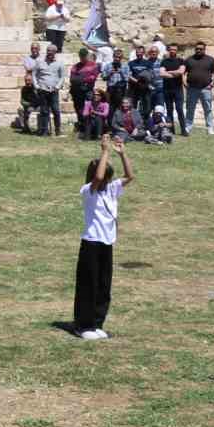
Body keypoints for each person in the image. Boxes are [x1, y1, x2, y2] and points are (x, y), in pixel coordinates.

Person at [72, 135, 135, 340]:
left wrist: (122, 152)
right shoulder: (88, 191)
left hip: (107, 242)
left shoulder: (111, 190)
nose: (107, 180)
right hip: (91, 242)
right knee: (88, 285)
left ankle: (98, 322)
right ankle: (83, 325)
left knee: (103, 285)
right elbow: (98, 179)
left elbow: (129, 176)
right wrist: (105, 151)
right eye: (106, 176)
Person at [183, 41, 214, 135]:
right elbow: (182, 73)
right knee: (190, 108)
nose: (198, 50)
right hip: (192, 89)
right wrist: (184, 83)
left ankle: (210, 127)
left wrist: (212, 84)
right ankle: (188, 126)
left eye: (201, 49)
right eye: (197, 49)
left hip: (205, 89)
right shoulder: (189, 60)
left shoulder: (210, 60)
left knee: (208, 109)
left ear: (204, 49)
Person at [32, 45, 65, 136]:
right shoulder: (40, 62)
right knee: (44, 111)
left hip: (54, 91)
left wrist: (58, 87)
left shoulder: (59, 63)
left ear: (55, 52)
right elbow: (34, 74)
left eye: (51, 51)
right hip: (43, 90)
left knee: (56, 110)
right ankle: (44, 130)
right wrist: (36, 86)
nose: (49, 52)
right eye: (48, 50)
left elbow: (62, 77)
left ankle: (58, 130)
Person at [159, 44, 188, 135]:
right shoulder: (164, 61)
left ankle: (183, 130)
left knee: (179, 109)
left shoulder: (181, 61)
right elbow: (161, 74)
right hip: (167, 89)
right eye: (171, 49)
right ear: (168, 50)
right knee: (169, 110)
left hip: (178, 89)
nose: (172, 51)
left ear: (177, 51)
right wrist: (174, 73)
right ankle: (171, 130)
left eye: (174, 50)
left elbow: (181, 72)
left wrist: (168, 72)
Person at [68, 47, 99, 132]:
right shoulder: (76, 66)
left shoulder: (93, 65)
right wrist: (83, 79)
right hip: (76, 92)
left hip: (87, 92)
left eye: (84, 56)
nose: (82, 58)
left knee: (88, 109)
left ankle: (89, 129)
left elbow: (92, 78)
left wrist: (80, 79)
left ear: (87, 56)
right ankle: (81, 127)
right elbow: (72, 78)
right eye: (81, 56)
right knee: (78, 109)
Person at [126, 45, 158, 116]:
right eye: (137, 52)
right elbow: (128, 75)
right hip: (134, 88)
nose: (139, 54)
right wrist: (137, 81)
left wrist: (144, 82)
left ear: (143, 53)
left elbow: (151, 75)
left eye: (141, 52)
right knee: (132, 107)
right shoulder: (131, 63)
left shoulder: (148, 63)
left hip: (145, 88)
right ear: (135, 53)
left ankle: (144, 122)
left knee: (147, 108)